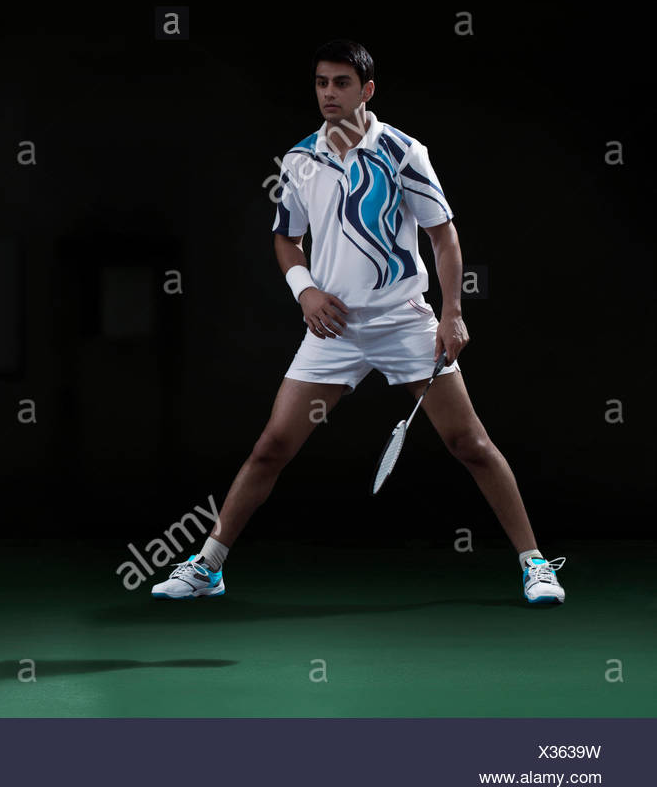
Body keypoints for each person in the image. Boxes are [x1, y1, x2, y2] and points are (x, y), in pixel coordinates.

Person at [151, 40, 565, 606]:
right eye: (322, 82)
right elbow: (285, 238)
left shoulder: (402, 151)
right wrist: (306, 291)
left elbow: (443, 237)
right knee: (271, 447)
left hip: (404, 322)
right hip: (334, 329)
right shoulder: (298, 160)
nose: (329, 93)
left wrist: (452, 314)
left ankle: (535, 564)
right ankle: (209, 566)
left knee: (468, 442)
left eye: (341, 83)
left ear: (366, 90)